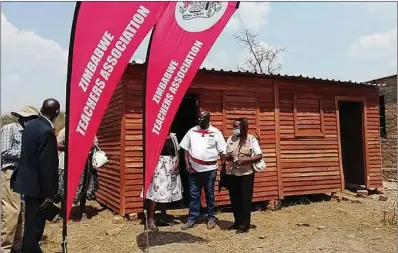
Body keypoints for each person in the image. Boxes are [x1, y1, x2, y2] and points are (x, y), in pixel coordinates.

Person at [11, 98, 60, 253]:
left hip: (28, 184)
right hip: (39, 187)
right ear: (57, 113)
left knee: (30, 224)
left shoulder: (30, 125)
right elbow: (46, 166)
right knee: (35, 230)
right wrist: (49, 194)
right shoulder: (46, 131)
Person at [1, 106, 39, 253]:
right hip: (10, 173)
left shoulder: (28, 132)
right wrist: (27, 152)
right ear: (24, 118)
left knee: (20, 211)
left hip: (23, 175)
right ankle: (5, 248)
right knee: (11, 212)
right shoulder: (10, 128)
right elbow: (4, 151)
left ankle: (17, 246)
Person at [179, 111, 226, 230]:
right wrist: (187, 163)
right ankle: (192, 218)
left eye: (202, 118)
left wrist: (224, 167)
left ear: (208, 119)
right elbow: (185, 148)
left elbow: (222, 152)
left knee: (210, 194)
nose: (199, 120)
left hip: (210, 170)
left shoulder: (216, 133)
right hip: (194, 170)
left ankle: (211, 217)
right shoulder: (192, 131)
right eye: (198, 118)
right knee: (194, 195)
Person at [225, 117, 263, 233]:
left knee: (245, 200)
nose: (234, 129)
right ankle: (237, 223)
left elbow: (259, 155)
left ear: (243, 127)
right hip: (233, 173)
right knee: (234, 199)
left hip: (246, 174)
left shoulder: (251, 139)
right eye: (233, 127)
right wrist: (229, 157)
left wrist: (245, 161)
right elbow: (225, 155)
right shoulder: (231, 139)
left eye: (236, 127)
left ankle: (244, 225)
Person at [55, 127, 100, 219]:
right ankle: (64, 211)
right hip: (67, 165)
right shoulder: (65, 130)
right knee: (65, 188)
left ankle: (82, 210)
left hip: (84, 164)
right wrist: (70, 147)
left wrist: (86, 146)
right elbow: (57, 144)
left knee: (84, 186)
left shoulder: (89, 130)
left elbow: (95, 144)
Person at [144, 131, 183, 230]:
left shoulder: (173, 136)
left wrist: (177, 160)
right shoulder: (156, 135)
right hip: (159, 166)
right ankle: (150, 220)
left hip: (170, 166)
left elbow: (177, 150)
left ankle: (163, 217)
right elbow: (150, 150)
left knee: (166, 192)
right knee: (157, 191)